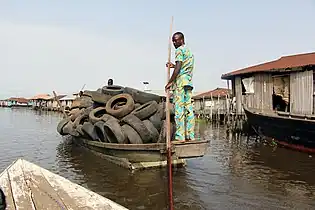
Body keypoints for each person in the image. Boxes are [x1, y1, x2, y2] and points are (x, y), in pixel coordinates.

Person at [165, 32, 195, 142]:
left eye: (176, 40)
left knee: (179, 109)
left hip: (181, 83)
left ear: (182, 40)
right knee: (188, 108)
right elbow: (182, 66)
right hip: (188, 82)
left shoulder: (179, 51)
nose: (174, 42)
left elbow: (178, 69)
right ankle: (190, 135)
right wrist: (173, 65)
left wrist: (170, 82)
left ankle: (180, 136)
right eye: (173, 40)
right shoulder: (189, 51)